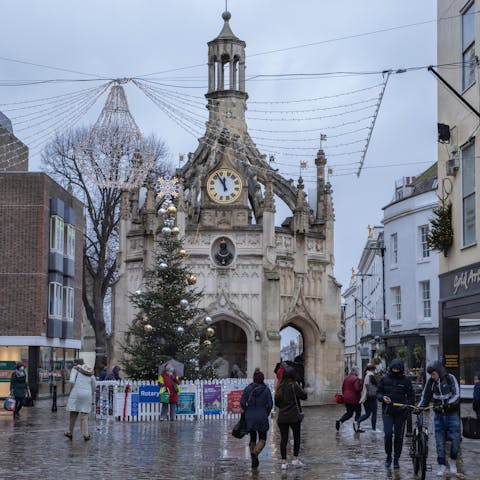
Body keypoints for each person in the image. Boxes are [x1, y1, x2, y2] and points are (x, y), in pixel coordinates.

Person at [417, 360, 461, 477]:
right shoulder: (431, 382)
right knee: (439, 443)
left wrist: (448, 403)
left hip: (452, 415)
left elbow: (456, 394)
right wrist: (419, 408)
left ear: (439, 372)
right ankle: (441, 465)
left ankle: (452, 461)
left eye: (433, 374)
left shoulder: (450, 378)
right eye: (430, 375)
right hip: (438, 417)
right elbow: (425, 397)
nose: (432, 377)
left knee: (456, 440)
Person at [376, 359, 414, 470]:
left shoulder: (406, 381)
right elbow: (378, 392)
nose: (395, 371)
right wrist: (382, 398)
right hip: (387, 411)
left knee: (399, 437)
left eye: (398, 369)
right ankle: (388, 456)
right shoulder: (384, 379)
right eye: (394, 369)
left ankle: (396, 459)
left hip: (401, 413)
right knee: (388, 434)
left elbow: (411, 396)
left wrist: (407, 405)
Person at [275, 365, 308, 470]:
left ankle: (284, 462)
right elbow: (304, 396)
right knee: (296, 437)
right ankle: (295, 459)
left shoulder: (280, 386)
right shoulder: (294, 385)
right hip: (294, 416)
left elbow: (277, 403)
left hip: (282, 417)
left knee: (284, 439)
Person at [240, 368, 273, 469]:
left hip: (250, 417)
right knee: (262, 439)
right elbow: (270, 405)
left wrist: (247, 410)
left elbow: (242, 403)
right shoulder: (266, 390)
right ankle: (255, 453)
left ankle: (254, 458)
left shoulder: (248, 388)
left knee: (253, 438)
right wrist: (265, 413)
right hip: (262, 415)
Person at [64, 363, 96, 441]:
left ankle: (70, 432)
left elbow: (71, 381)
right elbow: (94, 385)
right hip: (87, 395)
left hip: (76, 393)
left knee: (73, 414)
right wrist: (90, 392)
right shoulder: (91, 374)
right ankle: (86, 434)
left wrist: (74, 388)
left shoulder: (75, 370)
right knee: (84, 416)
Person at [335, 366, 362, 432]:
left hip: (346, 398)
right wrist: (361, 387)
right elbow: (357, 389)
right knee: (358, 412)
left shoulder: (346, 378)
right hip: (355, 399)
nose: (358, 372)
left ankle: (340, 421)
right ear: (355, 371)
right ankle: (356, 427)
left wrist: (345, 396)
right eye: (358, 371)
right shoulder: (356, 379)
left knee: (349, 413)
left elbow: (343, 388)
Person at [355, 364, 379, 433]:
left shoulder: (365, 375)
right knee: (374, 413)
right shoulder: (371, 375)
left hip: (365, 397)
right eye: (375, 370)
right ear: (372, 370)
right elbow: (377, 385)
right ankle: (374, 429)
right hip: (371, 397)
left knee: (367, 414)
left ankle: (357, 422)